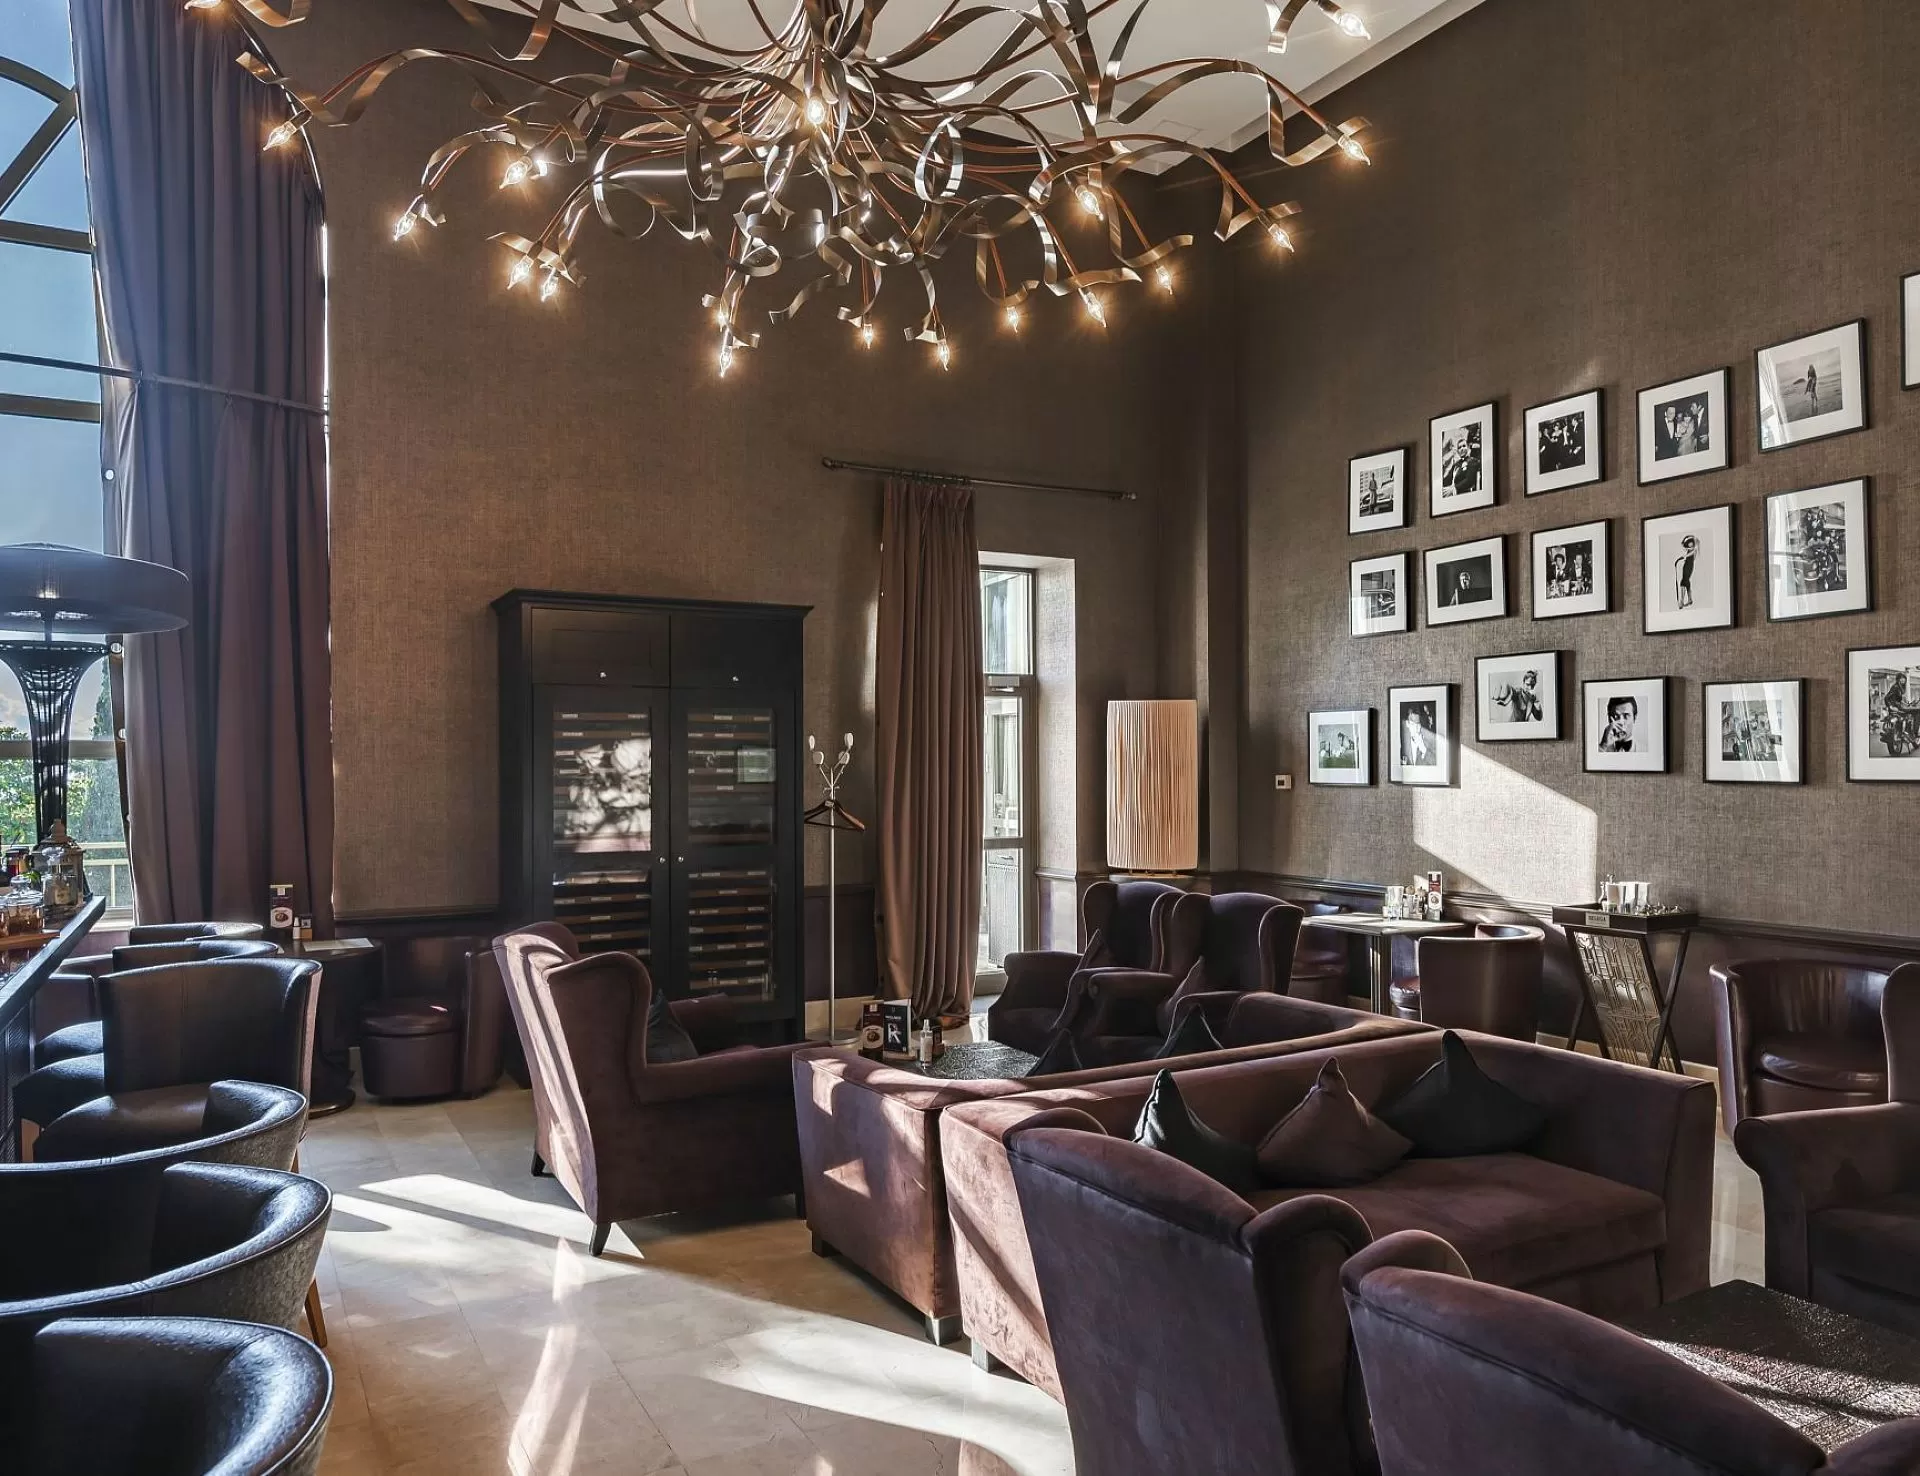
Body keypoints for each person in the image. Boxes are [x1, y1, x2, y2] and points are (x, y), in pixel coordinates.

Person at [1673, 534, 1698, 609]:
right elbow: (1682, 545)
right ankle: (1689, 599)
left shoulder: (1694, 550)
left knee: (1683, 582)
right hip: (1685, 566)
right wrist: (1684, 540)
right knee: (1686, 582)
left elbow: (1689, 554)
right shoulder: (1688, 549)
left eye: (1691, 542)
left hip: (1689, 567)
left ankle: (1682, 601)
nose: (1690, 543)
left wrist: (1683, 556)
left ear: (1693, 543)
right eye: (1689, 542)